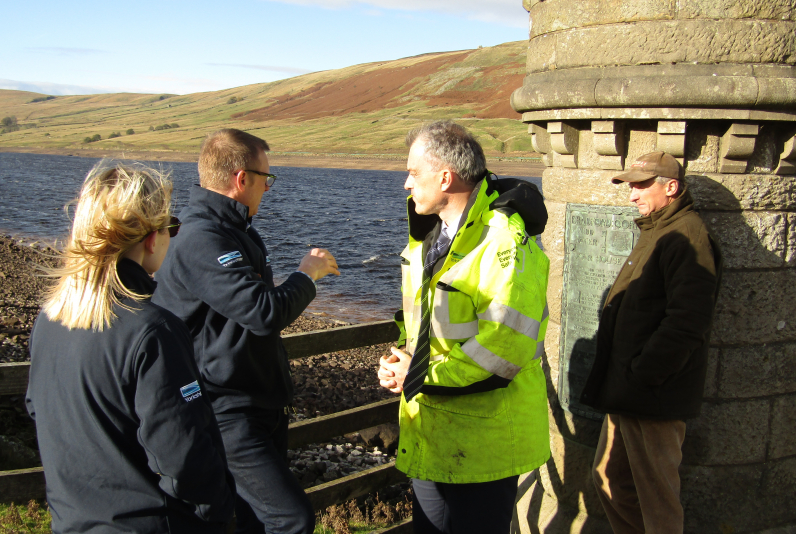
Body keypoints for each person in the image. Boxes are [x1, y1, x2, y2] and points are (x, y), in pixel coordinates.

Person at [26, 161, 236, 533]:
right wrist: (219, 514)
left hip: (72, 521)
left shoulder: (50, 318)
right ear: (151, 238)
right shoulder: (153, 331)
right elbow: (184, 455)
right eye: (171, 225)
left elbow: (39, 410)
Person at [152, 129, 340, 534]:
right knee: (291, 518)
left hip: (259, 403)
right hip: (227, 410)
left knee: (255, 520)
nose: (267, 189)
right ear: (241, 178)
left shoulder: (235, 230)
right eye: (265, 179)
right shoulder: (203, 238)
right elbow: (263, 311)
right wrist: (307, 275)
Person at [377, 121, 551, 533]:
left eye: (413, 172)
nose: (405, 183)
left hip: (484, 445)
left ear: (445, 176)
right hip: (433, 433)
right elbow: (425, 321)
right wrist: (401, 355)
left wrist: (415, 375)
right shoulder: (430, 238)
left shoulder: (504, 244)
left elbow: (501, 352)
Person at [581, 151, 722, 533]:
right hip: (630, 391)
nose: (632, 195)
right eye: (631, 186)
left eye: (641, 185)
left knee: (657, 500)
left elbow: (688, 321)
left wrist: (644, 374)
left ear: (671, 187)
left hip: (651, 396)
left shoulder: (687, 236)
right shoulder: (658, 229)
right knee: (609, 482)